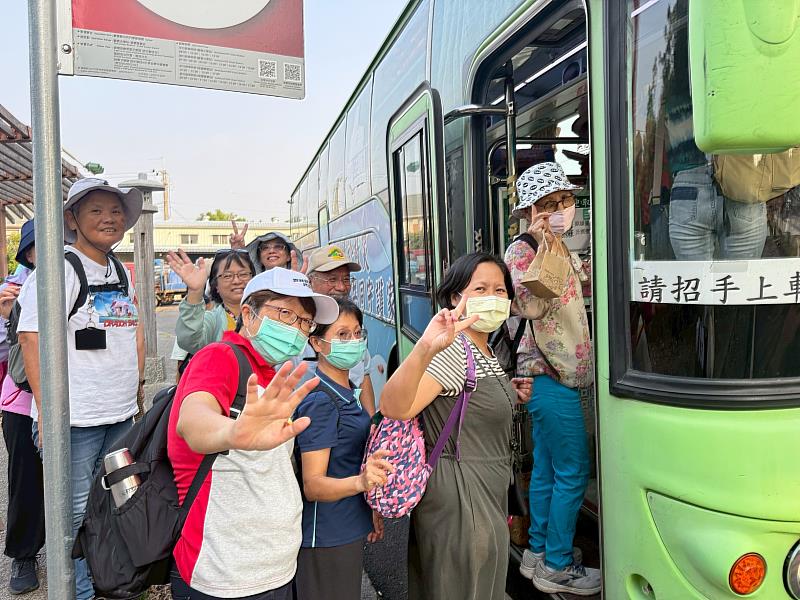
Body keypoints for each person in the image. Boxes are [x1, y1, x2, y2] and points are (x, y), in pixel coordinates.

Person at [168, 267, 338, 599]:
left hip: (271, 570)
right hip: (224, 577)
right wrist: (233, 432)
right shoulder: (220, 357)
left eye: (305, 322)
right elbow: (192, 421)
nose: (296, 329)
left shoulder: (272, 374)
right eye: (287, 313)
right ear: (249, 313)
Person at [17, 178, 144, 600]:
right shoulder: (59, 267)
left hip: (118, 413)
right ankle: (78, 592)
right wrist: (48, 408)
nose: (109, 218)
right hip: (75, 419)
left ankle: (106, 581)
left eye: (115, 211)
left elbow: (129, 332)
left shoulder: (118, 267)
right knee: (71, 512)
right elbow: (30, 336)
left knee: (112, 506)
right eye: (96, 211)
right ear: (72, 219)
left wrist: (137, 389)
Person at [381, 252, 528, 600]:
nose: (493, 297)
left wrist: (509, 394)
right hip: (462, 495)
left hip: (485, 490)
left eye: (500, 290)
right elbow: (394, 407)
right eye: (480, 288)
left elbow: (467, 402)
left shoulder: (486, 350)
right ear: (454, 298)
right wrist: (424, 348)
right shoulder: (453, 352)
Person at [505, 162, 599, 596]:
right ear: (529, 210)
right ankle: (558, 565)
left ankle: (539, 552)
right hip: (546, 371)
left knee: (546, 466)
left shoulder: (560, 246)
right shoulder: (523, 251)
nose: (561, 209)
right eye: (549, 203)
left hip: (555, 373)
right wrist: (543, 242)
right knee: (573, 470)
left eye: (565, 201)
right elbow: (533, 307)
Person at [293, 298, 391, 599]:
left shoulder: (347, 390)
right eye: (342, 335)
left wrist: (369, 508)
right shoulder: (322, 402)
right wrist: (362, 483)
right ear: (317, 343)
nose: (353, 342)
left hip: (347, 526)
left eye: (358, 333)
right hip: (325, 535)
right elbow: (313, 485)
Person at [0, 220, 44, 594]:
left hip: (78, 398)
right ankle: (24, 553)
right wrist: (7, 316)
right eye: (36, 247)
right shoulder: (14, 290)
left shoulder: (91, 279)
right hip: (22, 400)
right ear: (28, 255)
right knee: (25, 479)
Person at [295, 244, 376, 415]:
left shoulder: (352, 320)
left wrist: (369, 422)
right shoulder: (295, 326)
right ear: (310, 281)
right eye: (332, 280)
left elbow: (364, 374)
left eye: (346, 279)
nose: (341, 287)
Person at [167, 249, 257, 356]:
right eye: (227, 276)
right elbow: (190, 342)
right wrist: (195, 292)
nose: (236, 281)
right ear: (216, 285)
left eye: (243, 274)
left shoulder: (267, 313)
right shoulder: (212, 319)